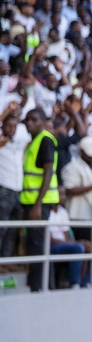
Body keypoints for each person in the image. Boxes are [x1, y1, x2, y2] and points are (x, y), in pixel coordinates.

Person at [21, 107, 59, 292]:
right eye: (27, 120)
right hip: (32, 201)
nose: (29, 123)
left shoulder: (45, 139)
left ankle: (41, 289)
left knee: (38, 249)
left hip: (39, 203)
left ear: (43, 122)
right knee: (35, 247)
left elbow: (48, 171)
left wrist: (37, 205)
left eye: (33, 120)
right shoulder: (34, 141)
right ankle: (40, 287)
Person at [48, 202, 92, 288]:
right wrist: (77, 243)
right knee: (78, 247)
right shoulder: (46, 212)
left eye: (64, 194)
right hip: (53, 245)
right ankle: (75, 284)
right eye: (60, 194)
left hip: (65, 244)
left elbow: (66, 236)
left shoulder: (63, 212)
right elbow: (49, 240)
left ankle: (87, 283)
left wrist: (79, 242)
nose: (63, 197)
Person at [0, 109, 28, 258]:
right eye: (8, 126)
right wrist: (7, 111)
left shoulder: (19, 141)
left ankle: (6, 259)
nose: (12, 129)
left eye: (14, 126)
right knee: (1, 228)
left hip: (18, 190)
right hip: (4, 188)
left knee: (12, 229)